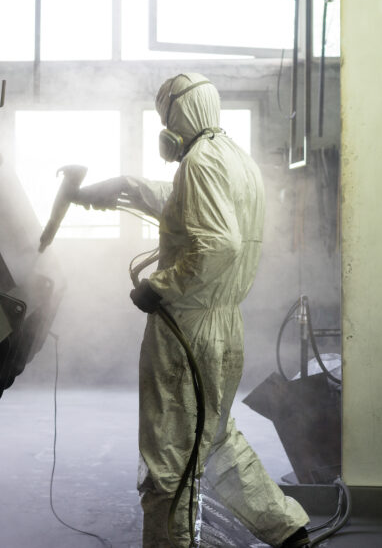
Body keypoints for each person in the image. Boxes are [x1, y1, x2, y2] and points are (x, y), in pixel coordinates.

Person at [86, 74, 311, 547]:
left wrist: (157, 286)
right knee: (215, 437)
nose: (165, 131)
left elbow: (218, 245)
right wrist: (126, 187)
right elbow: (184, 205)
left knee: (167, 458)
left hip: (187, 324)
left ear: (178, 116)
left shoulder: (200, 162)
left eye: (166, 119)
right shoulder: (232, 158)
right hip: (223, 323)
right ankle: (287, 530)